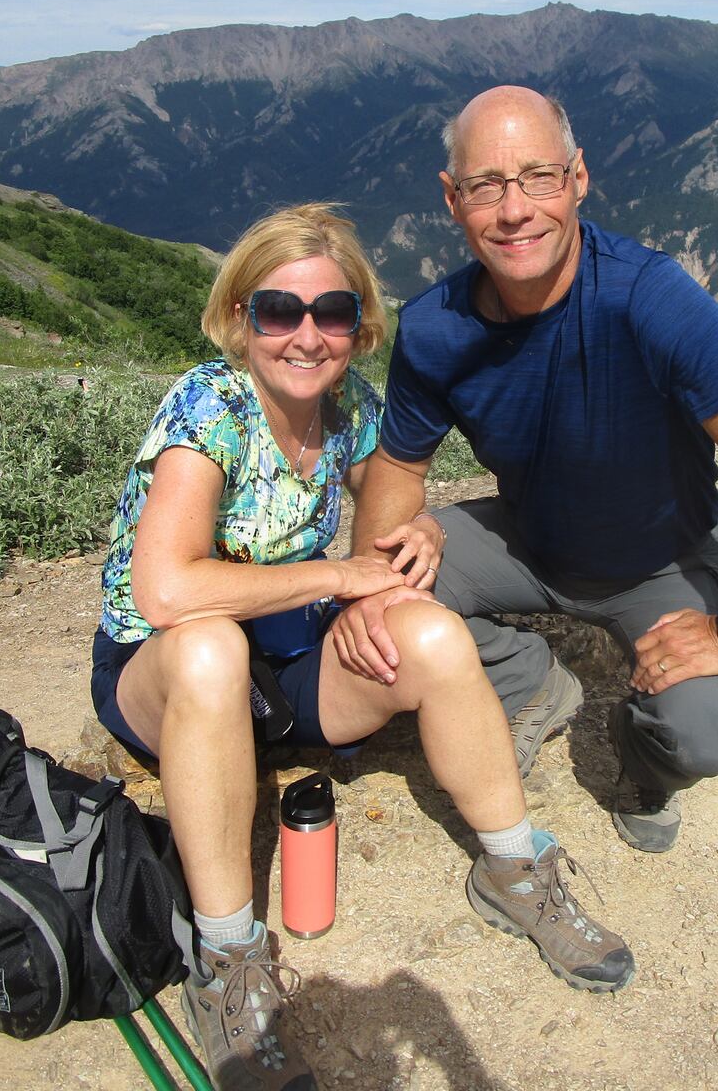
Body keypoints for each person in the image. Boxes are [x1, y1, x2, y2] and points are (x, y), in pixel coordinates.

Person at [90, 204, 634, 1091]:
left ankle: (515, 869)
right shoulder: (209, 406)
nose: (307, 336)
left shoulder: (351, 414)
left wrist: (419, 531)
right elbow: (167, 591)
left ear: (359, 327)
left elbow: (393, 503)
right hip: (169, 670)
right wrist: (337, 579)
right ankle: (228, 963)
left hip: (287, 669)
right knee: (209, 652)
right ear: (240, 319)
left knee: (429, 629)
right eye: (279, 312)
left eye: (332, 314)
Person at [335, 87, 718, 855]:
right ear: (451, 198)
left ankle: (643, 763)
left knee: (702, 731)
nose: (514, 210)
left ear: (577, 180)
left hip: (659, 559)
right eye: (485, 185)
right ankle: (528, 681)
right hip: (526, 539)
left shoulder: (647, 297)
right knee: (380, 622)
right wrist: (372, 581)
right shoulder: (436, 325)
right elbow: (399, 465)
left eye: (538, 177)